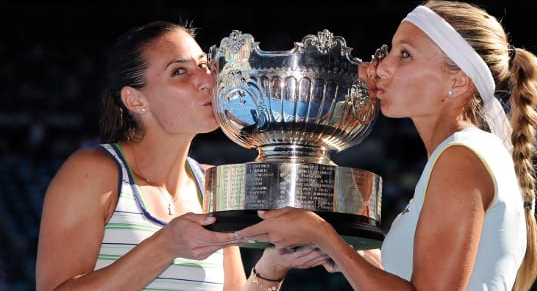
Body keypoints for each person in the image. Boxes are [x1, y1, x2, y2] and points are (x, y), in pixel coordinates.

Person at [235, 0, 537, 290]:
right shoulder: (466, 153)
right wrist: (351, 253)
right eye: (391, 52)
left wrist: (323, 235)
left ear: (458, 82)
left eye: (405, 55)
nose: (382, 67)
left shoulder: (461, 158)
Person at [35, 20, 328, 291]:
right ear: (135, 100)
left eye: (204, 65)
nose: (207, 80)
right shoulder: (94, 172)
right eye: (179, 71)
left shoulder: (212, 184)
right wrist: (164, 247)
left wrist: (271, 268)